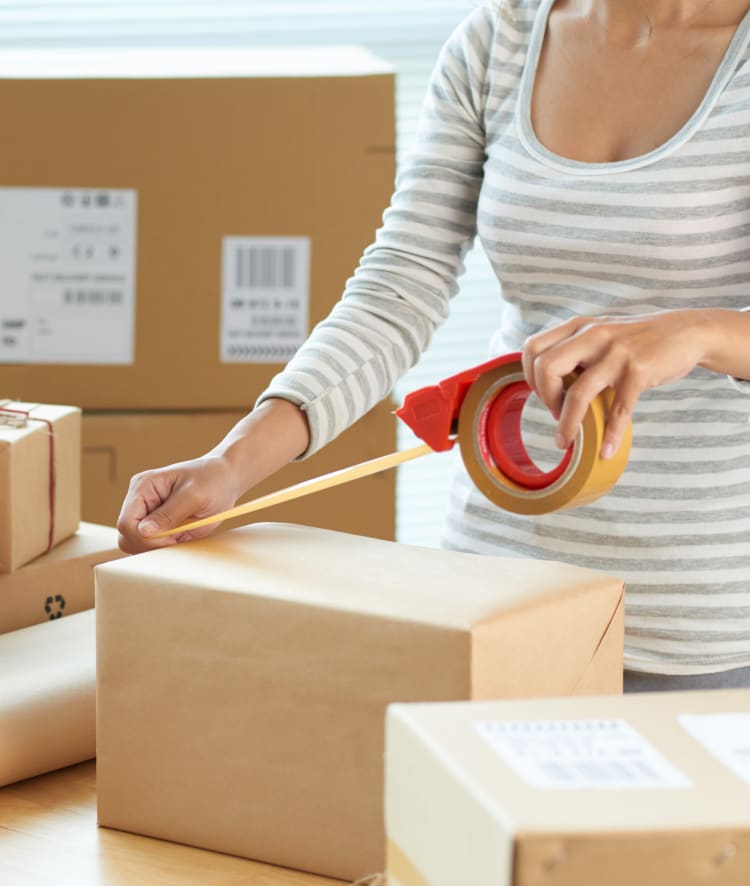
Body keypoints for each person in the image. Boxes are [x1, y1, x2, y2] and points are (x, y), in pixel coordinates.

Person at [118, 0, 750, 693]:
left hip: (701, 621)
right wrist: (230, 464)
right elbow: (398, 289)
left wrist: (703, 331)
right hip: (493, 592)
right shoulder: (500, 41)